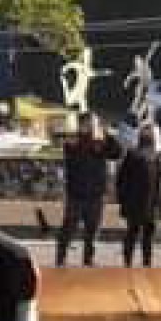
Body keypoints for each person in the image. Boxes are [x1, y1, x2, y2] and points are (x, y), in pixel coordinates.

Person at [55, 114, 121, 268]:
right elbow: (71, 154)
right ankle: (61, 258)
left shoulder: (102, 141)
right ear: (81, 124)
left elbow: (117, 153)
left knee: (92, 229)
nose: (91, 126)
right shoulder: (74, 141)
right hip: (76, 193)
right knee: (69, 227)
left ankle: (88, 260)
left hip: (96, 194)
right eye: (89, 123)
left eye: (94, 123)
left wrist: (108, 136)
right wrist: (86, 139)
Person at [116, 124, 161, 268]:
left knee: (148, 237)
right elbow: (122, 179)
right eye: (145, 134)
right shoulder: (132, 154)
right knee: (132, 233)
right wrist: (123, 199)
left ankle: (146, 265)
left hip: (153, 202)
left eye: (151, 134)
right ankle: (127, 263)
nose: (148, 137)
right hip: (134, 202)